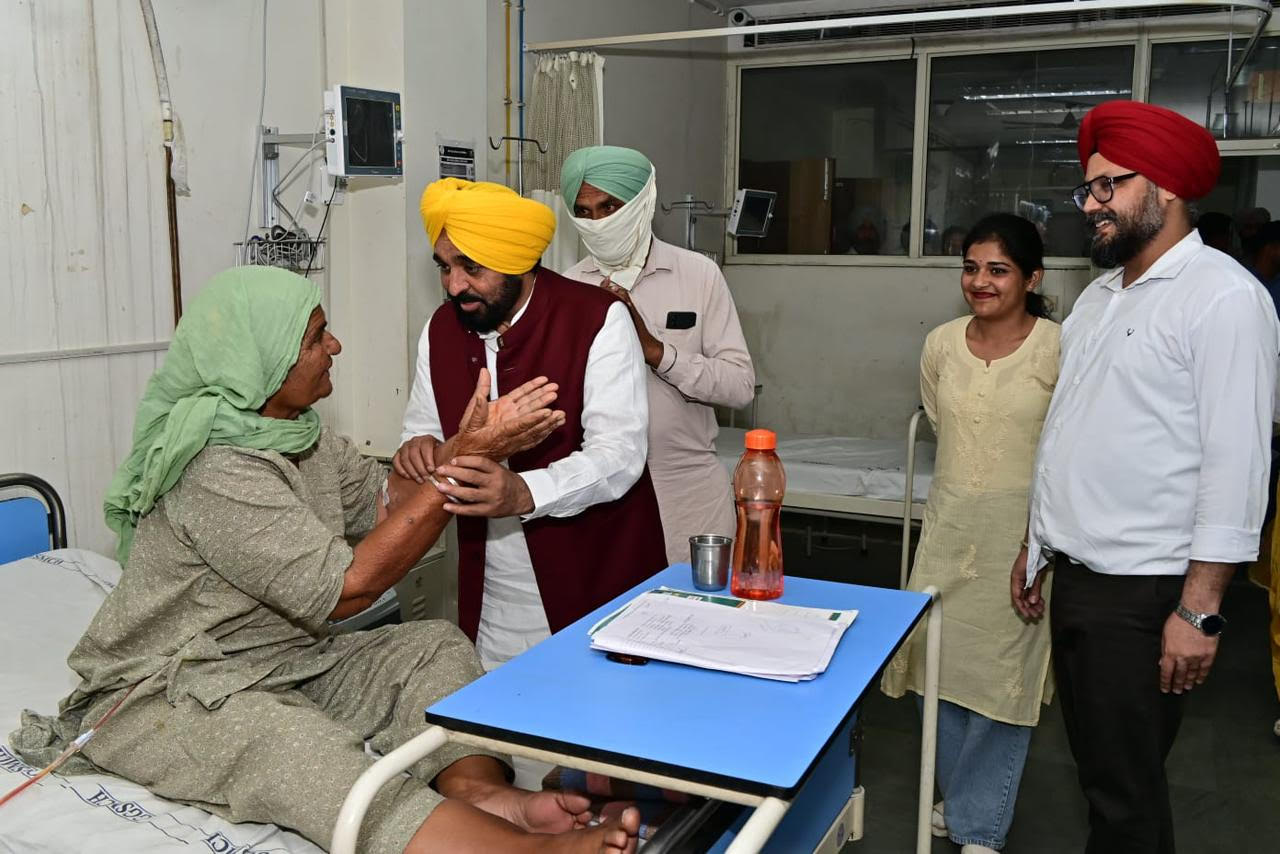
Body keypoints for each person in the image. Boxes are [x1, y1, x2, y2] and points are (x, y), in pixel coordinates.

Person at [10, 266, 639, 854]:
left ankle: (481, 794)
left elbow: (388, 508)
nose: (334, 346)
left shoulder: (301, 436)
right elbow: (347, 589)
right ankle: (522, 851)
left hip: (285, 659)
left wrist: (456, 450)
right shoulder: (216, 466)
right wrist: (472, 456)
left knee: (432, 648)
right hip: (172, 687)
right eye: (316, 338)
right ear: (264, 360)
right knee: (292, 746)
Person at [1014, 100, 1280, 853]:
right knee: (1104, 777)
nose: (1091, 205)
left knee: (1124, 793)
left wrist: (1200, 611)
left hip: (1144, 590)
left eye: (1110, 186)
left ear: (1165, 188)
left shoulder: (1223, 298)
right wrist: (1037, 545)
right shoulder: (1099, 299)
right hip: (1081, 576)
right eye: (1087, 190)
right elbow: (1070, 434)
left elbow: (1238, 463)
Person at [395, 178, 667, 669]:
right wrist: (419, 446)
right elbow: (422, 427)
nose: (454, 286)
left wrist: (524, 492)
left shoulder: (596, 319)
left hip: (595, 577)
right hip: (494, 590)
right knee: (501, 704)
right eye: (445, 267)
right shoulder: (441, 329)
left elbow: (620, 454)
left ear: (517, 261)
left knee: (599, 707)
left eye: (471, 267)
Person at [882, 214, 1060, 854]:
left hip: (1023, 537)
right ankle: (963, 801)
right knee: (939, 668)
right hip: (950, 527)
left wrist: (1041, 545)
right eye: (971, 267)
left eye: (998, 270)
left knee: (1003, 680)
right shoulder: (941, 345)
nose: (980, 281)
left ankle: (980, 826)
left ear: (1032, 278)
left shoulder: (1059, 348)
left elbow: (1066, 446)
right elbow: (940, 419)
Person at [558, 145, 756, 566]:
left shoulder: (698, 275)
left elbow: (740, 387)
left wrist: (656, 350)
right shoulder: (566, 288)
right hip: (600, 497)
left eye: (609, 207)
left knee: (696, 603)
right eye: (584, 211)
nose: (597, 222)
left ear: (642, 202)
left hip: (686, 493)